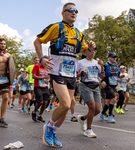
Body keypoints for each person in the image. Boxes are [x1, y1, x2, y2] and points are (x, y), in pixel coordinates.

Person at [34, 2, 96, 147]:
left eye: (76, 11)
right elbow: (37, 41)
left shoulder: (79, 33)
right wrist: (42, 58)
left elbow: (85, 52)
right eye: (70, 10)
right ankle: (48, 128)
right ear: (63, 13)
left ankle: (53, 132)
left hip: (71, 74)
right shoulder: (56, 27)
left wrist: (92, 49)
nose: (73, 13)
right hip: (57, 72)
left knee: (67, 107)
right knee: (65, 103)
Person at [77, 50, 104, 138]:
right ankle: (88, 130)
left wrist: (102, 66)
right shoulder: (80, 62)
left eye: (94, 51)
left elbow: (101, 77)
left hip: (95, 86)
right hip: (85, 85)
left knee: (98, 110)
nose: (92, 53)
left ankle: (83, 118)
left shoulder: (97, 63)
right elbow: (75, 74)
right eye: (91, 51)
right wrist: (81, 73)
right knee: (92, 107)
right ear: (86, 52)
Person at [99, 52, 121, 123]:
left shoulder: (116, 66)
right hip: (107, 85)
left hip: (113, 85)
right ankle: (110, 115)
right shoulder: (105, 66)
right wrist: (102, 81)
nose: (115, 58)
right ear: (109, 58)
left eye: (115, 57)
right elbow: (99, 74)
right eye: (113, 57)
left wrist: (118, 80)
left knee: (108, 101)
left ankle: (102, 114)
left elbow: (117, 75)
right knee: (114, 99)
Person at [31, 55, 50, 123]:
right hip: (37, 86)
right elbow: (33, 76)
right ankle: (34, 111)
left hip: (45, 86)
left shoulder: (48, 67)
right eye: (45, 61)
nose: (46, 63)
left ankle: (40, 116)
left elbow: (49, 76)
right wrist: (42, 78)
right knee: (40, 102)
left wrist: (48, 79)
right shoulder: (36, 66)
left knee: (45, 102)